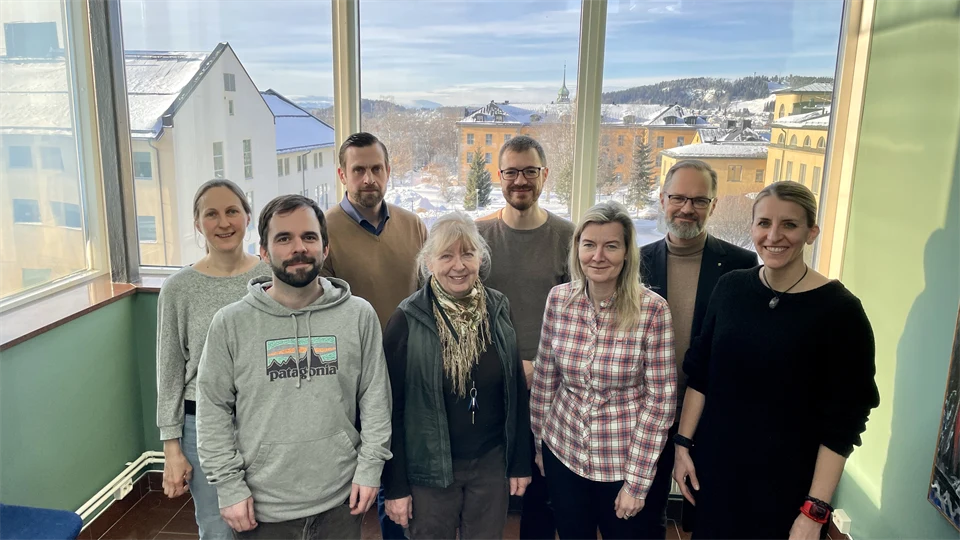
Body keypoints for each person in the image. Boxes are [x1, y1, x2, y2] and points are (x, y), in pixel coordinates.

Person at [673, 181, 880, 539]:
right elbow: (701, 373)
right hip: (717, 472)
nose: (774, 235)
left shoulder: (841, 312)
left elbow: (845, 421)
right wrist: (682, 445)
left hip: (788, 488)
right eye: (764, 223)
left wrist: (814, 511)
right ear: (752, 227)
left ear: (811, 232)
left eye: (789, 224)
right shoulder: (731, 288)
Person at [196, 195, 392, 540]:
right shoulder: (230, 323)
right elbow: (212, 410)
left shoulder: (359, 315)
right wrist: (228, 485)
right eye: (284, 238)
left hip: (340, 502)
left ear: (325, 248)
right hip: (262, 509)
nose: (298, 248)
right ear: (265, 252)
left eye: (309, 237)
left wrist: (370, 468)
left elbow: (376, 400)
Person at [381, 212, 532, 539]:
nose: (458, 265)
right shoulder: (407, 320)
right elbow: (390, 411)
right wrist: (395, 487)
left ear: (481, 257)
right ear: (428, 262)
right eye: (446, 255)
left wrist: (520, 461)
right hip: (430, 471)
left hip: (490, 464)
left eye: (467, 253)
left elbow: (516, 389)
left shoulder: (498, 309)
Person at [531, 201, 676, 540]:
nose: (598, 256)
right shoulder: (558, 300)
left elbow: (660, 403)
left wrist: (637, 484)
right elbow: (545, 381)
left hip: (622, 462)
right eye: (589, 245)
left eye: (611, 246)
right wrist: (540, 446)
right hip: (563, 452)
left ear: (627, 252)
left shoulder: (652, 311)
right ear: (577, 248)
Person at [637, 160, 757, 537]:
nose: (687, 208)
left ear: (714, 205)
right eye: (678, 198)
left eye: (699, 200)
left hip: (711, 413)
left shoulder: (741, 265)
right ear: (662, 199)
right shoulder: (636, 262)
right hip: (648, 408)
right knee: (644, 511)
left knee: (705, 513)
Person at [322, 132, 427, 539]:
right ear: (342, 174)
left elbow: (428, 297)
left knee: (403, 475)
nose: (368, 178)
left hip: (410, 371)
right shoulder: (323, 232)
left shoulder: (414, 225)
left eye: (376, 169)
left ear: (388, 172)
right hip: (355, 380)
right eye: (359, 170)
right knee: (373, 476)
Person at [156, 179, 270, 540]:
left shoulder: (270, 278)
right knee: (218, 527)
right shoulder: (178, 289)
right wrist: (172, 448)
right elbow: (170, 371)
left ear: (248, 218)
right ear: (197, 224)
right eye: (212, 214)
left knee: (270, 524)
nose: (224, 223)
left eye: (232, 211)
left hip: (264, 420)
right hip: (202, 425)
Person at [476, 135, 574, 540]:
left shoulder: (569, 237)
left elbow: (578, 314)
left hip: (551, 384)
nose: (520, 180)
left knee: (542, 491)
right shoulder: (477, 237)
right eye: (511, 172)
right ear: (499, 176)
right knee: (488, 488)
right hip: (488, 380)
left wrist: (543, 366)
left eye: (529, 171)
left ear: (544, 175)